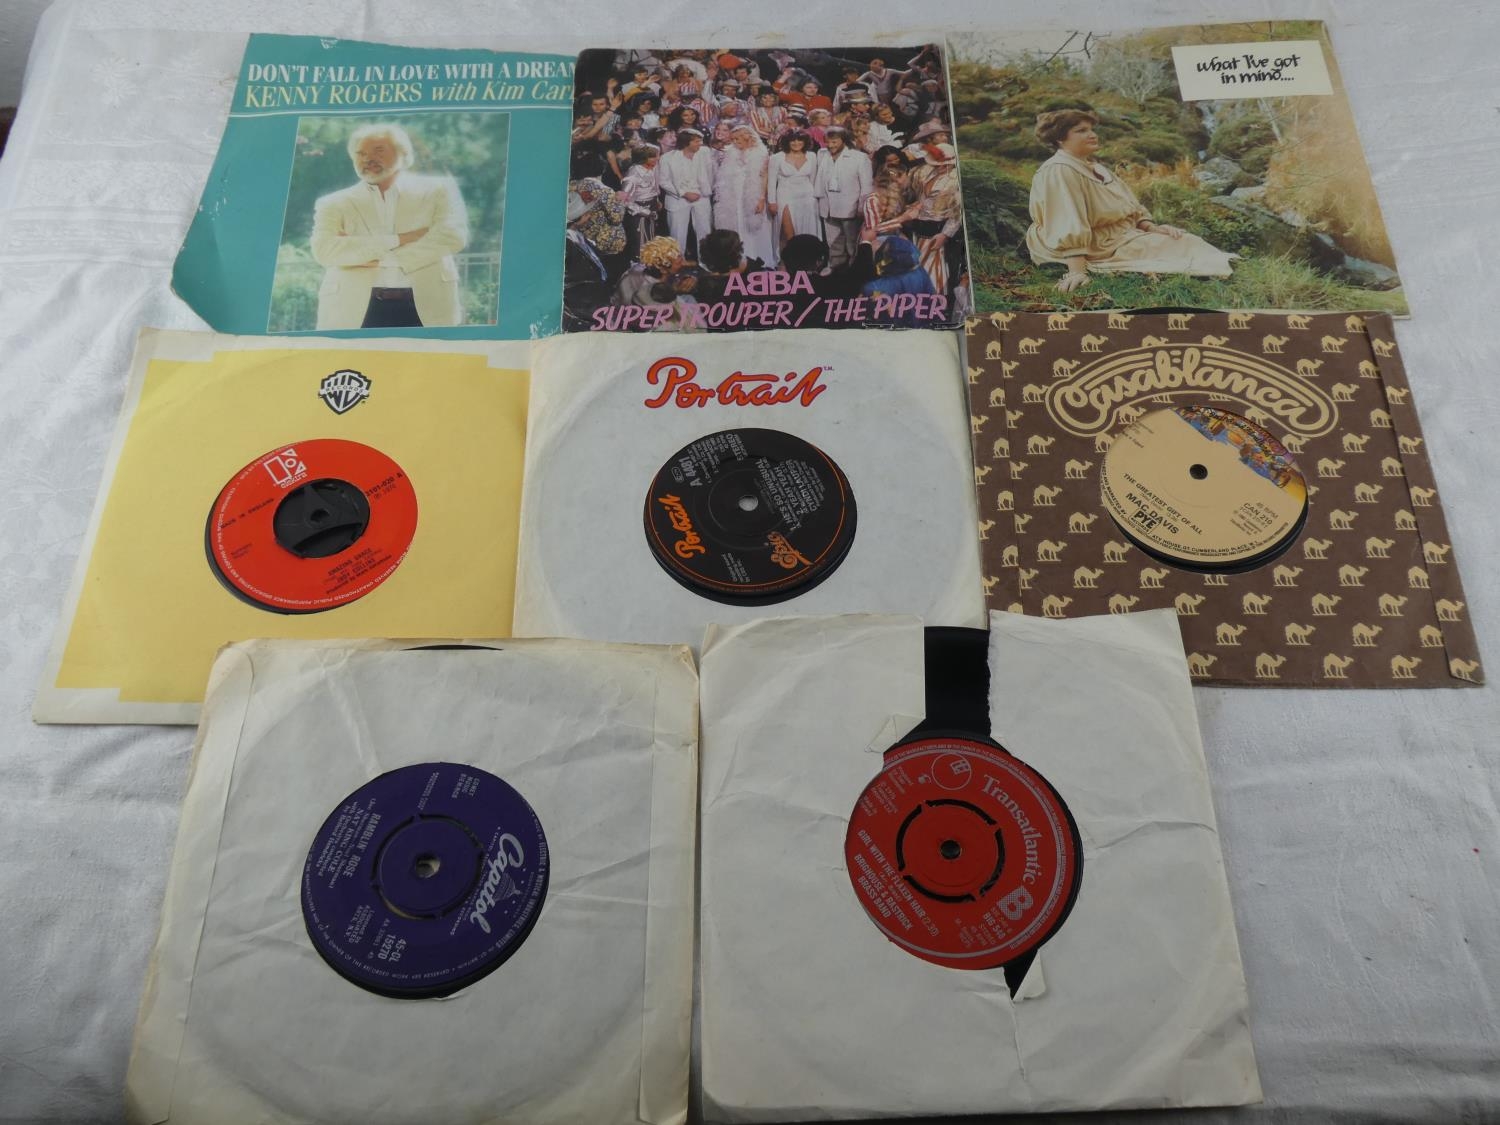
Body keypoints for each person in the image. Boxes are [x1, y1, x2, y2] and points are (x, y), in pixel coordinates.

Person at [1026, 108, 1236, 292]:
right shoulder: (1059, 170)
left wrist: (1151, 227)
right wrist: (1076, 272)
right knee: (1181, 250)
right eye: (1081, 131)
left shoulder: (1096, 168)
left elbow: (1129, 205)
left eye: (1091, 129)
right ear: (1059, 139)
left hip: (1119, 236)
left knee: (1184, 240)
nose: (1092, 135)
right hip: (1094, 246)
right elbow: (1066, 221)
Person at [310, 122, 468, 330]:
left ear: (404, 154)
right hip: (352, 309)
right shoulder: (333, 203)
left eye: (378, 150)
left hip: (428, 306)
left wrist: (365, 254)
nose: (368, 159)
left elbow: (452, 237)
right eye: (360, 153)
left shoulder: (439, 191)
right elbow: (324, 251)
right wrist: (400, 239)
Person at [899, 141, 962, 297]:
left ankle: (934, 300)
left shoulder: (955, 180)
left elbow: (957, 213)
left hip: (937, 230)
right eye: (936, 164)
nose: (939, 167)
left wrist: (945, 235)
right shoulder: (926, 172)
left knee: (934, 271)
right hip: (918, 228)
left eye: (944, 165)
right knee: (916, 266)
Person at [713, 125, 777, 266]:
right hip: (734, 195)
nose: (735, 142)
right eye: (734, 139)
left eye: (738, 138)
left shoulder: (761, 153)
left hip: (754, 194)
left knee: (755, 224)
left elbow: (764, 178)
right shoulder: (730, 153)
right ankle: (740, 259)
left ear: (748, 137)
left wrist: (761, 199)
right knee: (738, 223)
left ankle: (759, 258)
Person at [814, 127, 873, 270]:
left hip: (850, 209)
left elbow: (866, 186)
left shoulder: (859, 157)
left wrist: (862, 207)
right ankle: (835, 269)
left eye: (834, 142)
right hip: (828, 208)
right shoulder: (822, 155)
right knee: (833, 243)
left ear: (844, 140)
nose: (830, 145)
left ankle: (855, 271)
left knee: (852, 244)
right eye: (828, 142)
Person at [659, 128, 716, 254]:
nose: (700, 143)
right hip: (678, 199)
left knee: (705, 231)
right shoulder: (667, 158)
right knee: (677, 232)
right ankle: (678, 261)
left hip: (701, 197)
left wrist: (705, 190)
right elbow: (664, 181)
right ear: (686, 142)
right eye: (696, 141)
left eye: (700, 140)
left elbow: (711, 174)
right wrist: (684, 193)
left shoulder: (704, 154)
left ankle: (705, 261)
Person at [767, 130, 822, 251]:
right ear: (787, 142)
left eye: (800, 140)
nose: (796, 143)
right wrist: (771, 202)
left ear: (805, 141)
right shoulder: (776, 158)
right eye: (793, 140)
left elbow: (813, 180)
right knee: (789, 235)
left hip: (808, 198)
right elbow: (771, 182)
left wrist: (816, 200)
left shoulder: (812, 156)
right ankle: (792, 258)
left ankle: (807, 258)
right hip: (785, 196)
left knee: (808, 233)